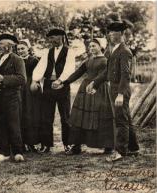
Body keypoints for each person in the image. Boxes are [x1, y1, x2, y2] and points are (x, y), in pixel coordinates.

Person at [87, 20, 140, 161]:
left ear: (121, 34)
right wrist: (95, 83)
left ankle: (121, 151)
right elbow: (106, 72)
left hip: (120, 89)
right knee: (126, 118)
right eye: (109, 32)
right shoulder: (112, 49)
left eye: (113, 32)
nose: (110, 34)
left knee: (120, 120)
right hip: (113, 88)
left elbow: (125, 75)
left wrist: (121, 94)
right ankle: (134, 148)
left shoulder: (124, 51)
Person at [60, 38, 115, 155]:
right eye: (90, 46)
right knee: (80, 117)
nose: (91, 48)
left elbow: (106, 76)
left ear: (101, 47)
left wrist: (95, 84)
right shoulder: (88, 60)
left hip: (99, 90)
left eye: (94, 46)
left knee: (101, 115)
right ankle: (76, 146)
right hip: (85, 90)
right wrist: (65, 82)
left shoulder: (106, 61)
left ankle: (108, 146)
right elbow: (78, 72)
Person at [30, 28, 75, 153]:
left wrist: (60, 81)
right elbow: (40, 67)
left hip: (63, 86)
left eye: (54, 37)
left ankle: (68, 144)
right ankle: (46, 145)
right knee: (46, 117)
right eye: (50, 38)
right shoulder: (48, 52)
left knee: (65, 117)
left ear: (61, 37)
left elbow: (70, 68)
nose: (52, 40)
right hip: (49, 86)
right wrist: (35, 80)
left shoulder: (69, 52)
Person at [0, 33, 26, 163]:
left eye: (1, 44)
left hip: (12, 97)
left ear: (9, 46)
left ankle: (18, 152)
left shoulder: (17, 59)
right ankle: (3, 153)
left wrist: (3, 79)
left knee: (13, 124)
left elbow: (22, 79)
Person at [17, 39, 41, 152]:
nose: (20, 51)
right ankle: (22, 142)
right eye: (18, 49)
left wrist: (35, 84)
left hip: (31, 89)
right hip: (19, 88)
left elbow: (39, 74)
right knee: (20, 114)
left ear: (28, 49)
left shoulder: (34, 60)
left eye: (23, 48)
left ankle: (32, 142)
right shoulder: (16, 60)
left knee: (31, 114)